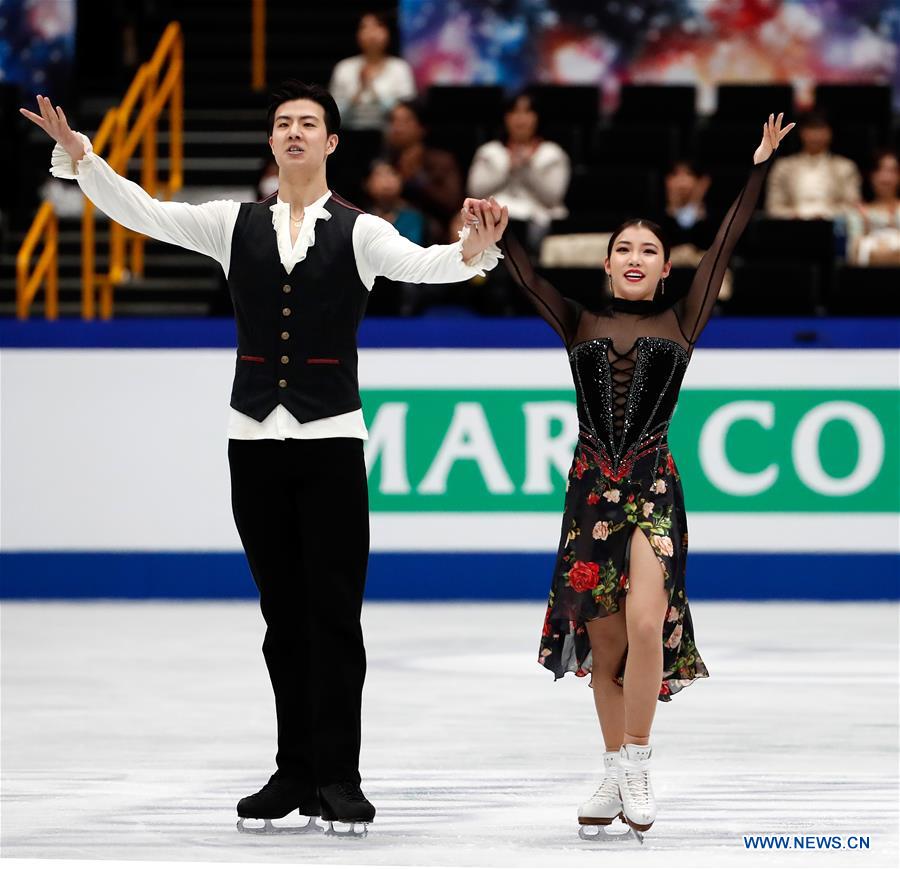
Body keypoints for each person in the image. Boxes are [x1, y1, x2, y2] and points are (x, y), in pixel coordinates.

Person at [20, 80, 503, 835]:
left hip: (332, 441)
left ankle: (339, 775)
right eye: (284, 124)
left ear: (333, 142)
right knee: (283, 618)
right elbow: (145, 211)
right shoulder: (230, 223)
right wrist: (84, 159)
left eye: (309, 123)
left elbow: (425, 265)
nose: (295, 133)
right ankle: (295, 770)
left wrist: (472, 250)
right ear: (272, 142)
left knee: (335, 617)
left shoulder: (362, 230)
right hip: (253, 443)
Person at [473, 112, 794, 840]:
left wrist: (758, 167)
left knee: (649, 624)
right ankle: (613, 768)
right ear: (608, 262)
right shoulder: (579, 321)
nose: (637, 257)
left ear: (665, 267)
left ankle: (639, 763)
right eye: (626, 248)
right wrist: (497, 239)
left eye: (650, 249)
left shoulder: (685, 320)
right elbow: (522, 275)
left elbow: (728, 238)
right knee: (609, 649)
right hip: (589, 497)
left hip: (651, 492)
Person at [466, 91, 571, 254]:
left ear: (537, 117)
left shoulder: (552, 153)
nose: (520, 119)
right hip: (492, 221)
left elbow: (552, 197)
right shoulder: (488, 152)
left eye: (527, 112)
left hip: (539, 223)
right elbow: (475, 191)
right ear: (506, 117)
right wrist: (508, 168)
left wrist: (528, 168)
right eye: (514, 112)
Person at [384, 99, 463, 241]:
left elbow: (452, 202)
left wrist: (417, 177)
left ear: (421, 127)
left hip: (431, 231)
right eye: (393, 121)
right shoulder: (384, 160)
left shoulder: (441, 161)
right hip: (388, 223)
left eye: (405, 121)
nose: (397, 127)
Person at [328, 12, 416, 132]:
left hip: (389, 136)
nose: (372, 33)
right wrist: (358, 91)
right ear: (357, 34)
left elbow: (407, 114)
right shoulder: (344, 68)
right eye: (365, 27)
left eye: (378, 26)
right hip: (348, 134)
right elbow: (332, 116)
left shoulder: (400, 68)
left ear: (388, 33)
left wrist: (373, 89)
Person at [764, 111, 860, 219]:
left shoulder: (845, 167)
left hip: (832, 227)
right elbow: (773, 207)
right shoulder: (783, 167)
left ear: (830, 132)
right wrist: (794, 215)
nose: (816, 135)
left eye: (821, 129)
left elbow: (852, 206)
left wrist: (826, 214)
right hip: (791, 226)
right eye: (811, 129)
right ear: (802, 132)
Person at [844, 148, 900, 266]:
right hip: (868, 278)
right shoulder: (857, 213)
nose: (886, 178)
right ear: (871, 175)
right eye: (880, 170)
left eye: (892, 171)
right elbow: (854, 254)